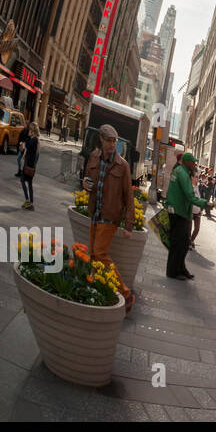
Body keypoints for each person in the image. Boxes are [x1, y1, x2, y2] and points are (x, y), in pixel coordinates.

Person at [82, 124, 135, 310]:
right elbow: (88, 178)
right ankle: (100, 289)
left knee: (100, 253)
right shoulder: (94, 157)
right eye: (109, 141)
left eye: (114, 141)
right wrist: (85, 184)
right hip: (95, 212)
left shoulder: (123, 165)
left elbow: (129, 195)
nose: (112, 144)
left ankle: (126, 294)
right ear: (101, 140)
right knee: (94, 257)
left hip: (110, 215)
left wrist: (129, 224)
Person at [165, 151, 208, 281]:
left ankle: (180, 269)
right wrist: (205, 203)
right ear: (187, 162)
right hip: (178, 212)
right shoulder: (183, 174)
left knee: (182, 243)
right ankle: (173, 271)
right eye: (193, 162)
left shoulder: (180, 171)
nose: (195, 164)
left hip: (178, 211)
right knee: (179, 243)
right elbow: (190, 195)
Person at [17, 121, 39, 210]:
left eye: (30, 129)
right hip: (30, 165)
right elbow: (26, 149)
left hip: (29, 165)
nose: (28, 130)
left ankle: (27, 200)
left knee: (23, 181)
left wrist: (27, 139)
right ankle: (31, 203)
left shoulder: (34, 140)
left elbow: (29, 147)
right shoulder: (33, 139)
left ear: (33, 131)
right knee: (29, 184)